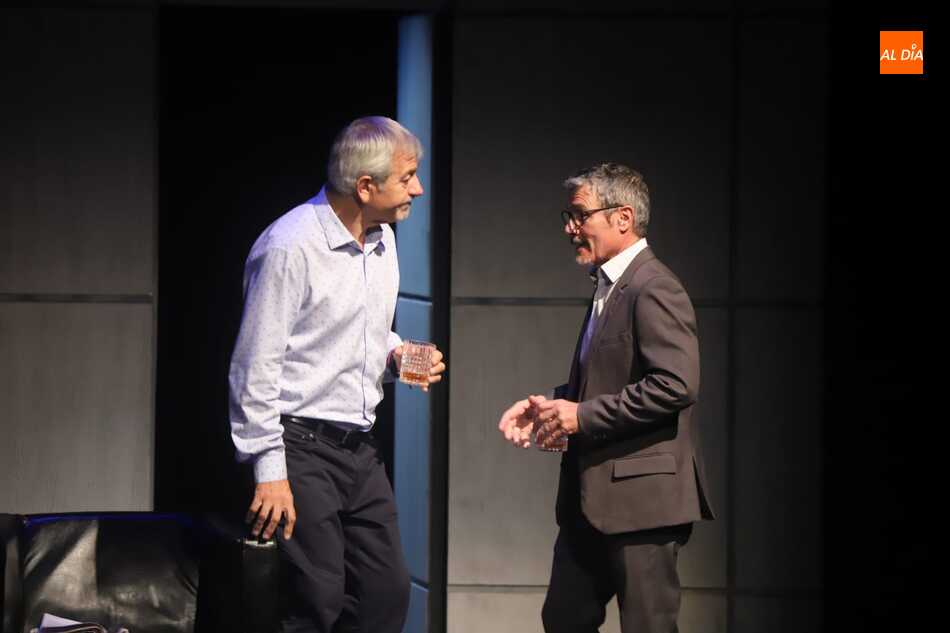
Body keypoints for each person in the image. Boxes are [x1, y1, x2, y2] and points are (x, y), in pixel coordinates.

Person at [228, 116, 445, 633]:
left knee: (386, 593)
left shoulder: (383, 239)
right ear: (365, 186)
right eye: (408, 176)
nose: (418, 187)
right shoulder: (289, 247)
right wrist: (270, 469)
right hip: (299, 447)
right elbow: (253, 366)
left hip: (359, 449)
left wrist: (398, 356)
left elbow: (362, 332)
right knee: (316, 598)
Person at [498, 163, 714, 633]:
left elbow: (676, 385)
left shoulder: (654, 287)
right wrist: (552, 406)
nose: (570, 228)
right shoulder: (609, 285)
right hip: (589, 501)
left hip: (643, 504)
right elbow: (605, 382)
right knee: (564, 619)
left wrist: (583, 416)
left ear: (623, 218)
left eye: (579, 216)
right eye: (568, 217)